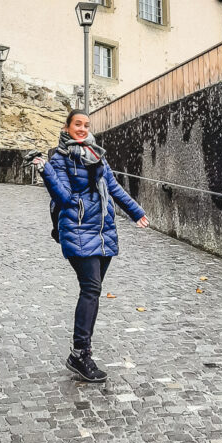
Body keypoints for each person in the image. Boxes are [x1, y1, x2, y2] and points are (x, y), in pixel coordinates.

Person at [33, 109, 150, 383]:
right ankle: (80, 353)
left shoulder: (97, 154)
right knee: (91, 289)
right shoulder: (59, 158)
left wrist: (136, 212)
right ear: (67, 127)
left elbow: (114, 187)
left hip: (103, 230)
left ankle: (81, 352)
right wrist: (46, 171)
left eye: (86, 125)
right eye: (77, 124)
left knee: (93, 292)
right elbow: (63, 198)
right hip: (77, 228)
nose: (82, 129)